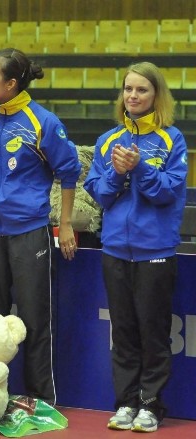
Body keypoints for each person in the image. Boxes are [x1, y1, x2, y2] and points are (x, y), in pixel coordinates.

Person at [0, 48, 81, 405]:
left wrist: (65, 225)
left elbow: (69, 171)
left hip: (29, 232)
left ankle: (39, 399)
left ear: (11, 83)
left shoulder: (42, 121)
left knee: (31, 321)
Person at [84, 62, 187, 433]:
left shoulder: (173, 139)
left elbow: (166, 194)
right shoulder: (108, 140)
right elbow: (101, 196)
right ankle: (125, 403)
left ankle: (150, 405)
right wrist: (117, 171)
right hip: (114, 250)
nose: (133, 96)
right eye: (128, 89)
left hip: (155, 251)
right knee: (124, 332)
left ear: (156, 95)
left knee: (153, 333)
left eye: (141, 90)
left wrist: (140, 167)